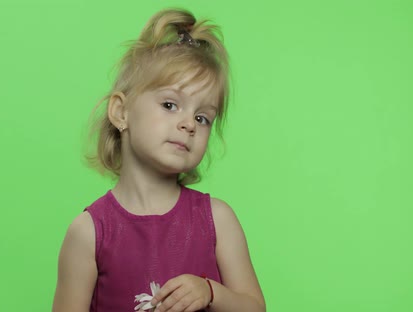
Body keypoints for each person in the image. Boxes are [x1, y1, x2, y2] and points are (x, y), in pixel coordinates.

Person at [52, 8, 266, 312]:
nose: (189, 124)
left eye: (202, 117)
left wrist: (210, 292)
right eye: (170, 104)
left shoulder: (218, 220)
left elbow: (254, 308)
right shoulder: (88, 233)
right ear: (120, 112)